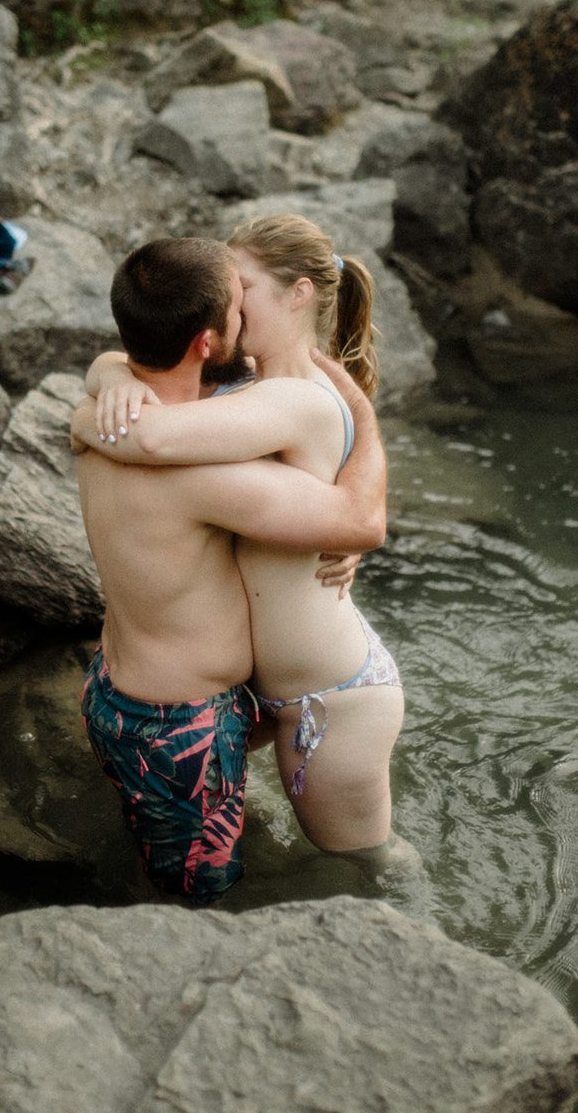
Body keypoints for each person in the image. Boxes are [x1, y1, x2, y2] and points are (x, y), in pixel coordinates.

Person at [76, 214, 408, 865]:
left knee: (368, 867)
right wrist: (113, 376)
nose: (228, 303)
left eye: (242, 286)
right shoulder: (244, 384)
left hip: (331, 697)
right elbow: (133, 355)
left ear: (299, 293)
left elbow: (157, 438)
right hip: (272, 689)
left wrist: (89, 416)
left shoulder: (295, 401)